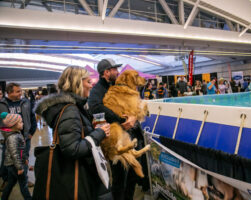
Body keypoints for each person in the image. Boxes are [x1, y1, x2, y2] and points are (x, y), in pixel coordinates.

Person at [34, 66, 111, 199]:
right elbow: (72, 149)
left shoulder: (71, 107)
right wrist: (99, 133)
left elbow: (72, 134)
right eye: (88, 82)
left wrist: (89, 129)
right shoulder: (70, 109)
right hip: (78, 175)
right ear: (77, 83)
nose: (91, 85)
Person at [88, 59, 147, 200]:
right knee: (120, 177)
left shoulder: (118, 85)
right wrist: (121, 121)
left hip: (132, 135)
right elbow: (95, 108)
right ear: (106, 72)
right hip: (116, 139)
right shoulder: (97, 90)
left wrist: (133, 117)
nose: (117, 72)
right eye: (114, 69)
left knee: (132, 175)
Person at [0, 83, 36, 188]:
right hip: (9, 138)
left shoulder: (25, 102)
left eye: (20, 91)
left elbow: (32, 117)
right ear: (9, 92)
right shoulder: (2, 104)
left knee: (24, 158)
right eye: (18, 91)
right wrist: (5, 136)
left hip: (24, 137)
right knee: (7, 160)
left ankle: (24, 179)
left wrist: (31, 133)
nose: (21, 93)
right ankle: (6, 180)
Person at [0, 112, 31, 200]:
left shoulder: (16, 133)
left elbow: (21, 150)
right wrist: (20, 168)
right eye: (20, 122)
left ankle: (4, 197)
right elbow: (15, 154)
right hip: (15, 165)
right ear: (13, 125)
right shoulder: (13, 137)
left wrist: (25, 159)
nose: (23, 123)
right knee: (23, 184)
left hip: (12, 164)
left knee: (11, 182)